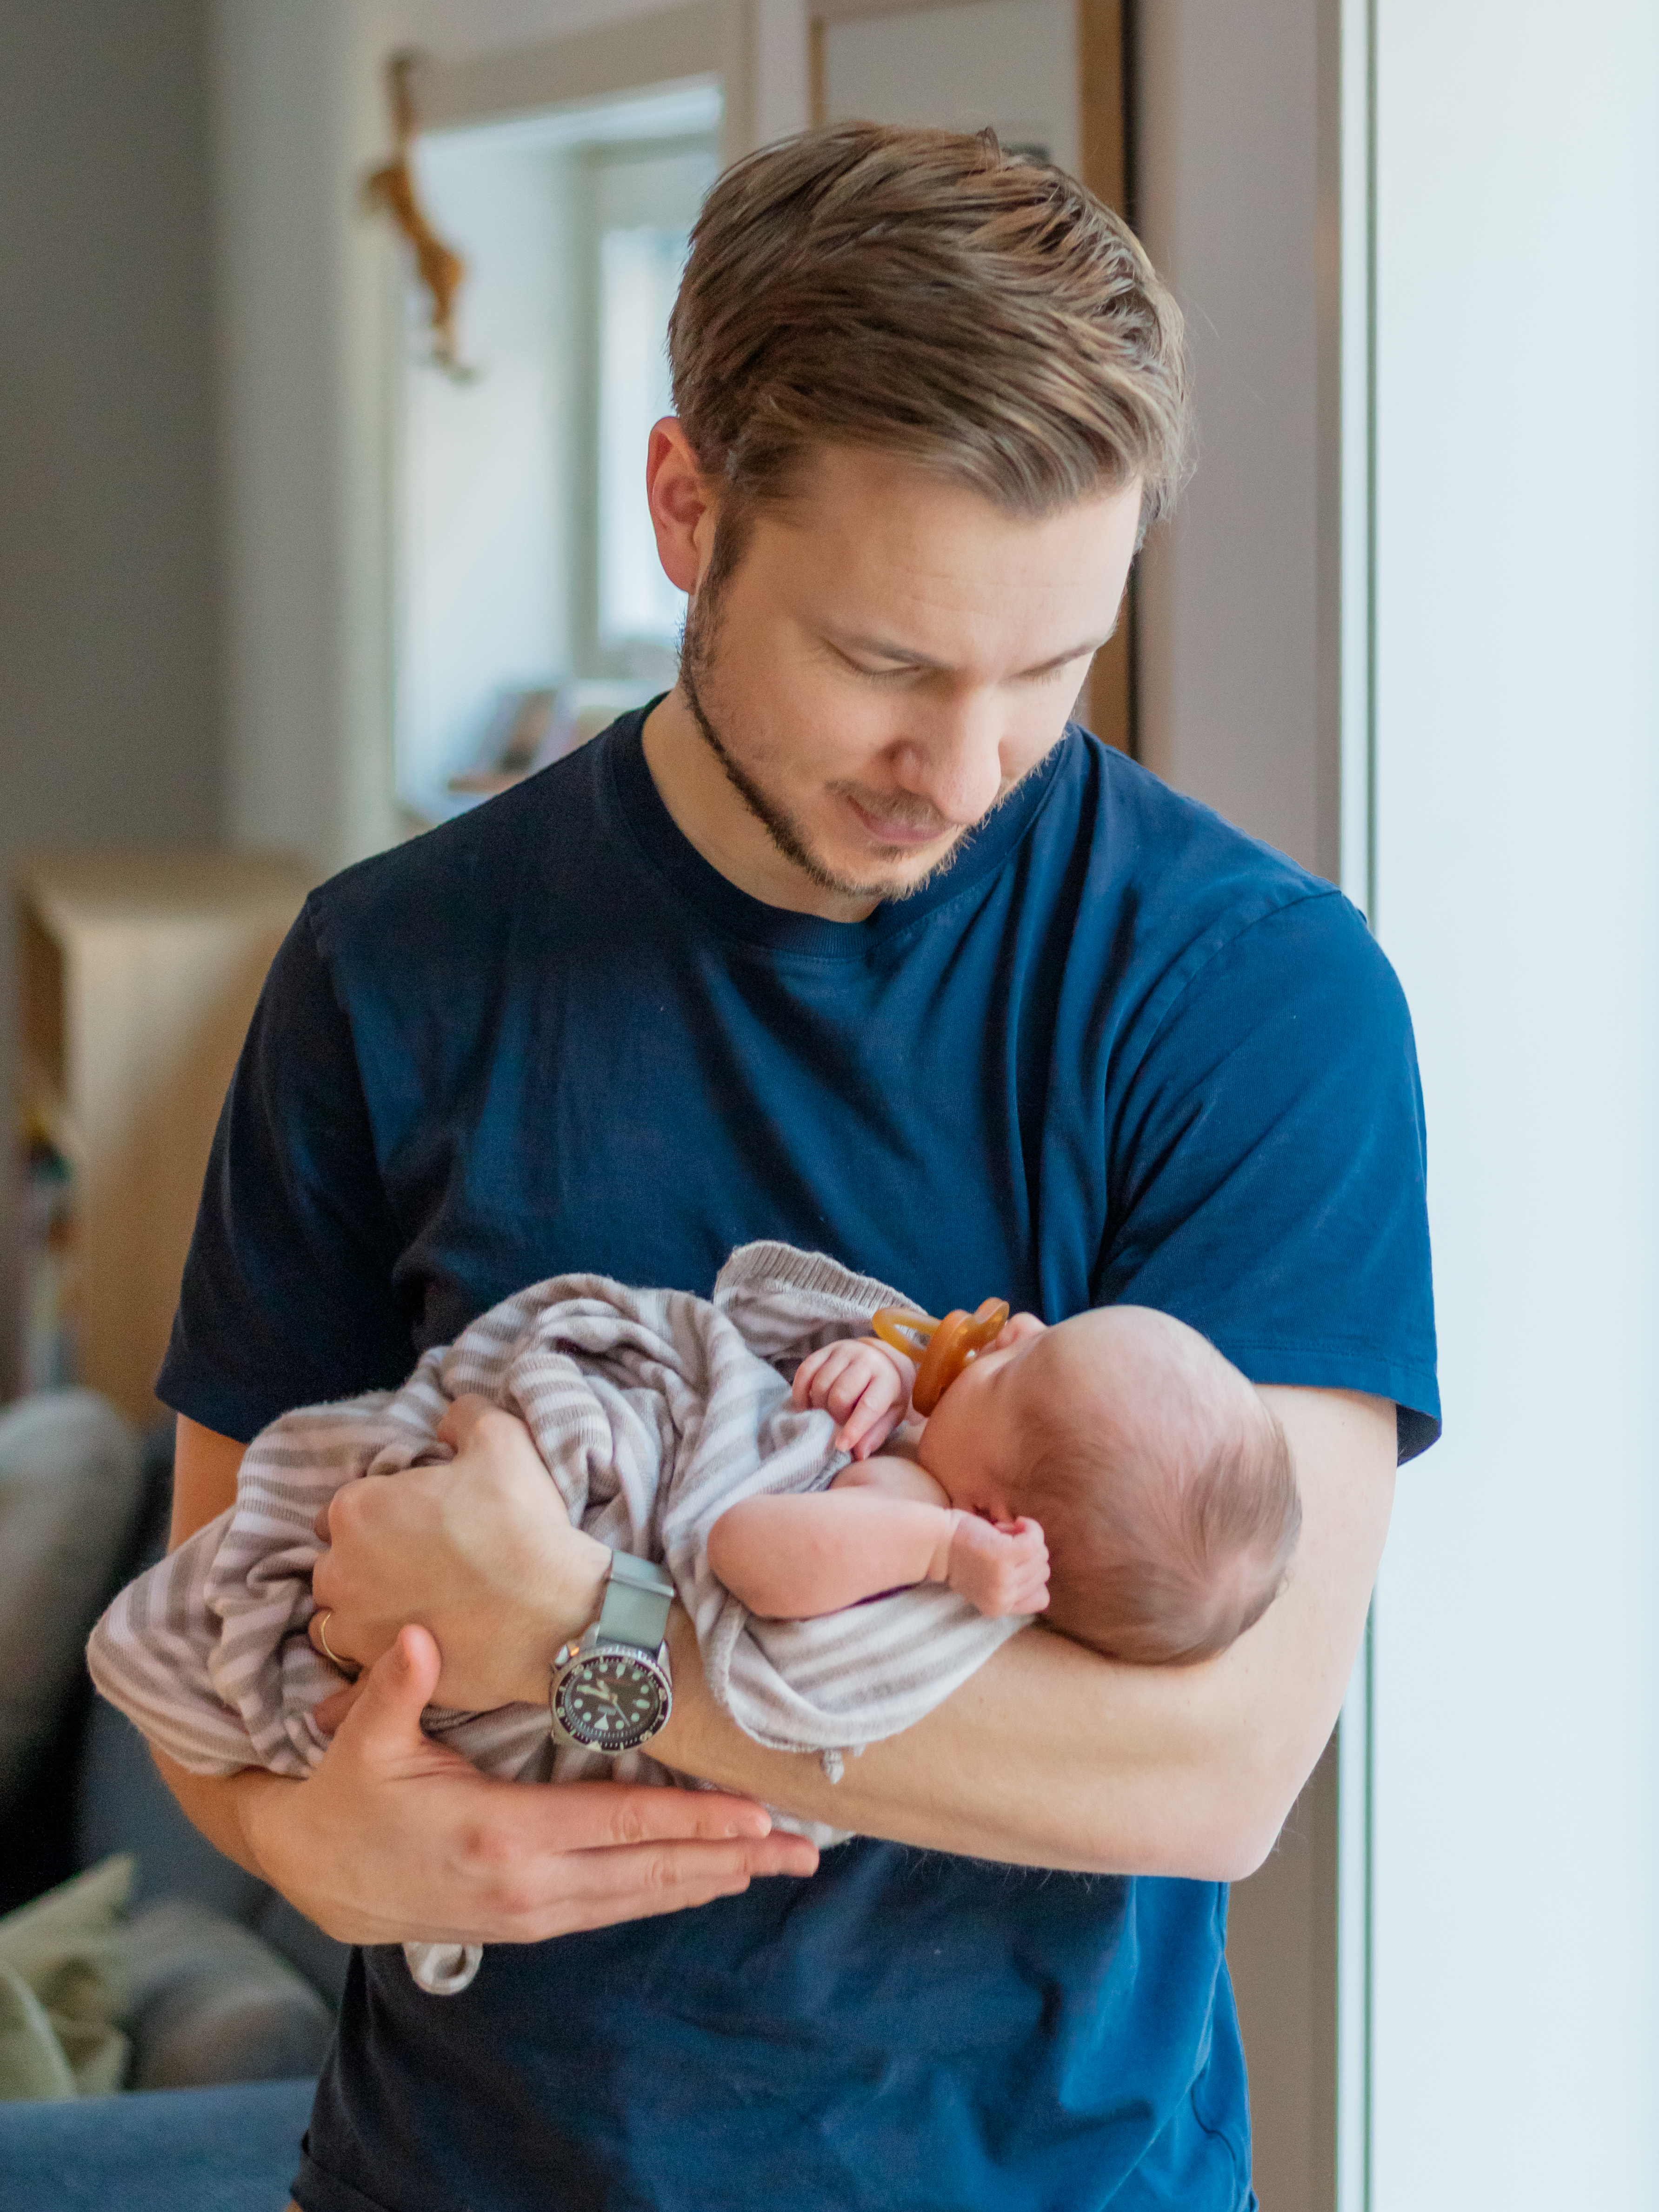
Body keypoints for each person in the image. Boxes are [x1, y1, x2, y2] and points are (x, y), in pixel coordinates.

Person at [153, 123, 1436, 2212]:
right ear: (686, 506)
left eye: (1049, 668)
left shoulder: (1251, 995)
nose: (965, 766)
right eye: (887, 663)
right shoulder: (390, 968)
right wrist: (301, 1834)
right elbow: (217, 1603)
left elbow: (1213, 1769)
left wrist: (588, 1632)